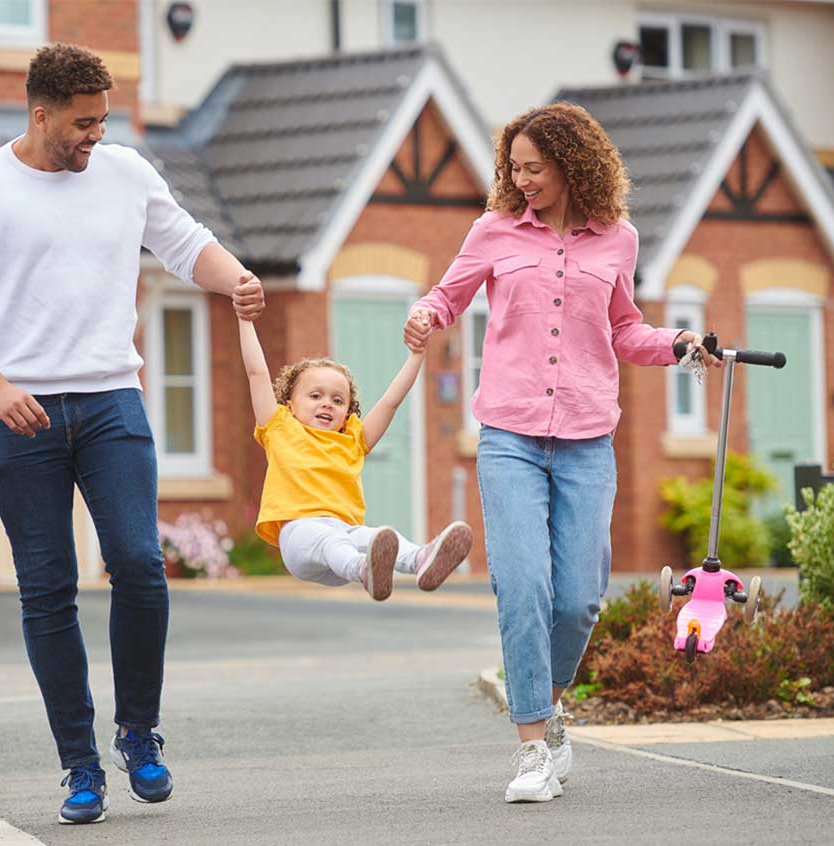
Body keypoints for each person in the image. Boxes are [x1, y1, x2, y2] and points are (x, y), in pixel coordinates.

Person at [0, 44, 265, 825]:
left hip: (113, 400)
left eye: (103, 121)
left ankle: (138, 735)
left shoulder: (126, 172)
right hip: (20, 412)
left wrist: (234, 275)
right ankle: (79, 766)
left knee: (141, 565)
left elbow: (183, 241)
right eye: (82, 123)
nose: (94, 137)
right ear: (39, 114)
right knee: (48, 591)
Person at [403, 102, 718, 803]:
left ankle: (547, 708)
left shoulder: (618, 239)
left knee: (577, 601)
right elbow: (447, 296)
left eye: (534, 169)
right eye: (513, 168)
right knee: (522, 588)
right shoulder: (492, 230)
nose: (522, 181)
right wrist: (424, 314)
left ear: (574, 166)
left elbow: (625, 328)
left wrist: (677, 344)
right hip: (509, 439)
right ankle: (531, 750)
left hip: (585, 441)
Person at [237, 296, 474, 599]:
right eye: (315, 396)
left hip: (344, 536)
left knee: (378, 535)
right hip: (299, 537)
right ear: (289, 404)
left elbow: (390, 402)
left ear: (347, 410)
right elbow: (256, 373)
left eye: (338, 400)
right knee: (331, 542)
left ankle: (419, 560)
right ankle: (365, 569)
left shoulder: (352, 439)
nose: (327, 403)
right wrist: (245, 320)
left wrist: (416, 355)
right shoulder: (279, 427)